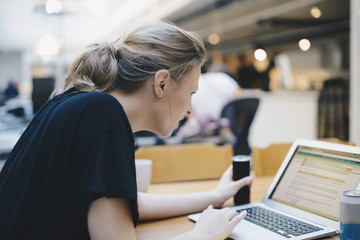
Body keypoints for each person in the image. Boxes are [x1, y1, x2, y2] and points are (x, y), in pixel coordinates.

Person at [0, 21, 252, 240]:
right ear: (161, 83)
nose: (190, 109)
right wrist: (202, 235)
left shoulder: (81, 103)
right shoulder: (104, 115)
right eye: (191, 93)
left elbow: (127, 202)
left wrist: (215, 196)